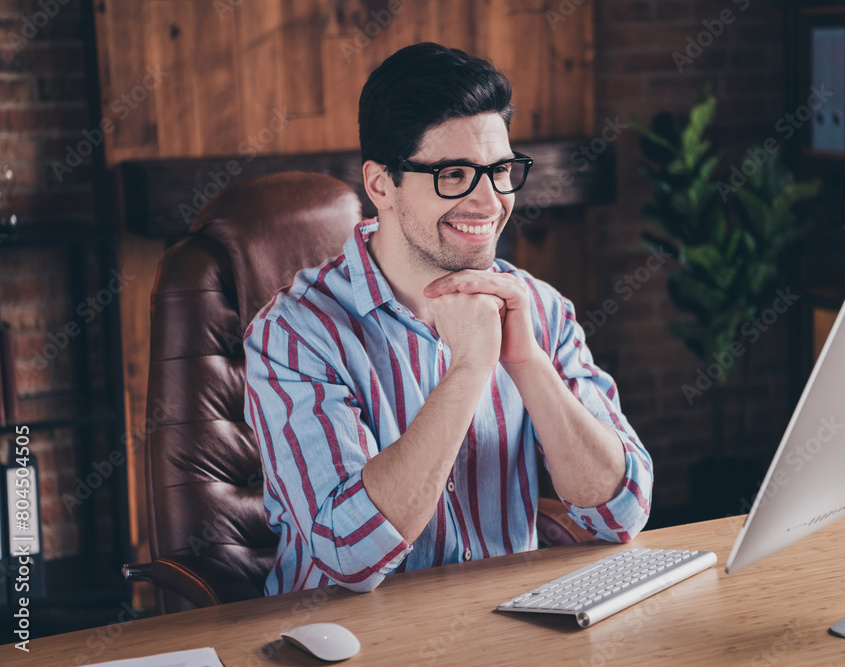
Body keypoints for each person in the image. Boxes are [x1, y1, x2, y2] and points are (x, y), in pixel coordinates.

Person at [243, 42, 652, 595]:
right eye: (455, 174)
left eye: (501, 170)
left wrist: (527, 361)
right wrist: (468, 369)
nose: (489, 202)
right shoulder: (295, 334)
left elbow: (621, 514)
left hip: (508, 632)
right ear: (381, 184)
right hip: (355, 643)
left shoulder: (540, 307)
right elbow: (349, 554)